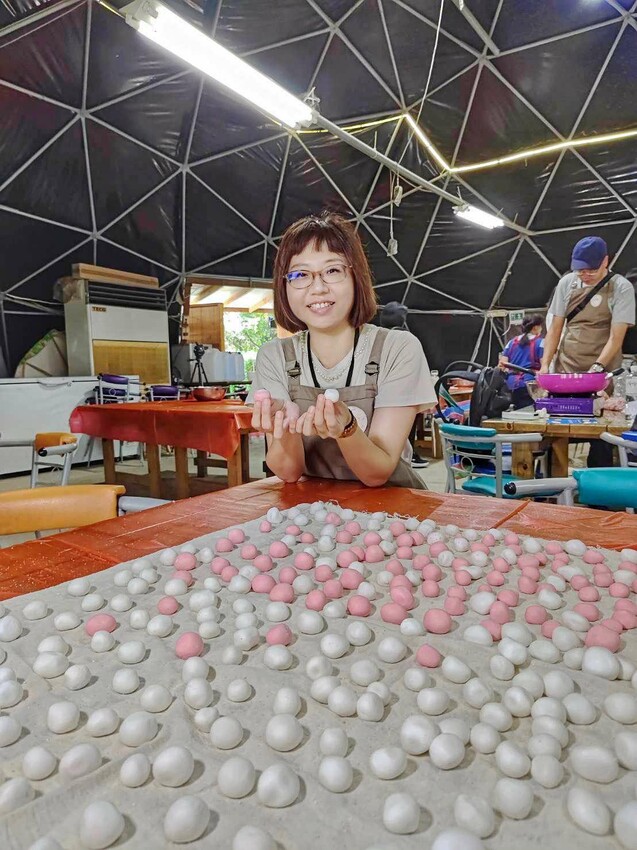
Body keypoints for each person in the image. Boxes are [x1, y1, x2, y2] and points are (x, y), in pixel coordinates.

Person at [250, 213, 437, 487]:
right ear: (284, 286)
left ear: (356, 276)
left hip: (394, 509)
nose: (317, 288)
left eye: (332, 270)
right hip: (312, 510)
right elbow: (289, 472)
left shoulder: (397, 349)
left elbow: (377, 473)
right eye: (300, 274)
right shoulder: (274, 356)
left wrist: (347, 429)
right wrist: (284, 427)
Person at [540, 235, 635, 466]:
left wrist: (597, 369)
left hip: (604, 369)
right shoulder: (567, 283)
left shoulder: (621, 287)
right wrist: (545, 365)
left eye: (591, 270)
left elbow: (616, 337)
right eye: (580, 270)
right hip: (568, 365)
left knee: (602, 432)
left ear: (606, 261)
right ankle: (551, 490)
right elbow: (555, 329)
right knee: (555, 428)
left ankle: (599, 498)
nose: (584, 275)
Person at [379, 301, 429, 469]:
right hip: (403, 391)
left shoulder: (377, 336)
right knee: (407, 428)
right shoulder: (405, 338)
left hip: (381, 392)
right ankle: (410, 455)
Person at [499, 315, 544, 409]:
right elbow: (544, 367)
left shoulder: (511, 342)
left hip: (510, 385)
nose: (541, 329)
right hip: (530, 386)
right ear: (535, 327)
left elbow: (501, 365)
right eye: (540, 326)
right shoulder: (540, 342)